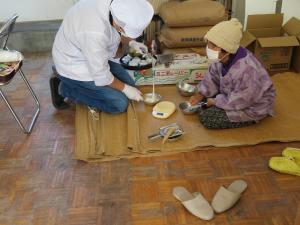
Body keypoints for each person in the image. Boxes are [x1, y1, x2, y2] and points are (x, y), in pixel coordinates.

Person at [50, 0, 154, 114]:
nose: (125, 34)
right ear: (117, 24)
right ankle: (67, 88)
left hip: (89, 54)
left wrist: (132, 43)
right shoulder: (94, 31)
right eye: (124, 32)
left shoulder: (116, 6)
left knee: (131, 84)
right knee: (119, 103)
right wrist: (125, 89)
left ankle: (74, 85)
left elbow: (121, 28)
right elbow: (101, 74)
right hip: (73, 64)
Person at [189, 18, 276, 129]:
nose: (209, 49)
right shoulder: (221, 58)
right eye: (209, 44)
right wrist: (201, 94)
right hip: (232, 94)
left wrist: (215, 101)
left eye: (214, 46)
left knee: (207, 118)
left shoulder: (247, 70)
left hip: (252, 105)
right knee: (204, 102)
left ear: (227, 49)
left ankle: (253, 119)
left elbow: (242, 99)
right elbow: (212, 77)